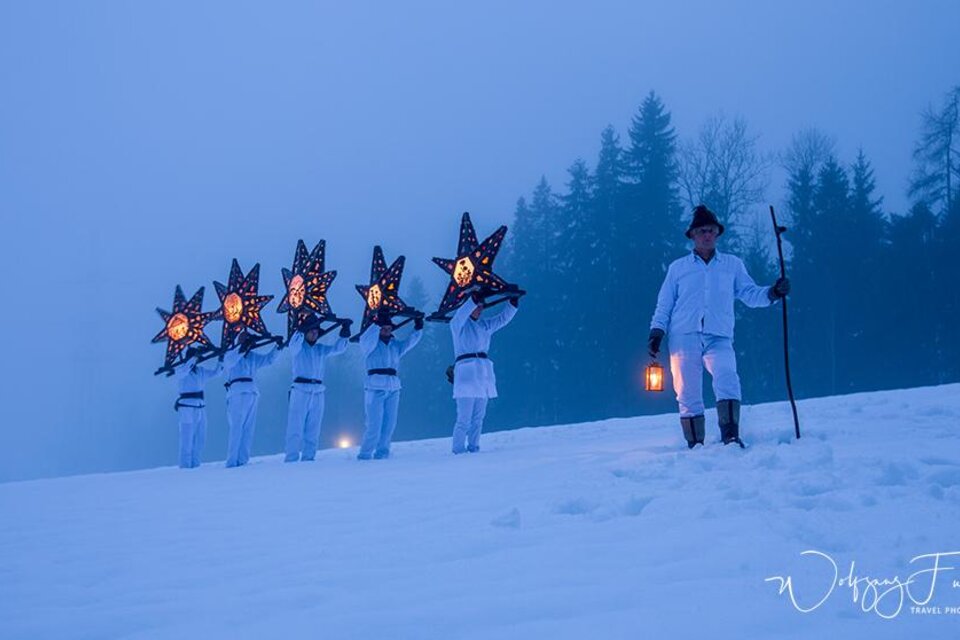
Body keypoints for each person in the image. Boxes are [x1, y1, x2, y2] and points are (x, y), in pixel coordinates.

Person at [648, 204, 790, 449]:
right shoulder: (678, 269)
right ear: (692, 235)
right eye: (702, 230)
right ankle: (695, 443)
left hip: (719, 335)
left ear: (717, 234)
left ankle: (731, 436)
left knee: (727, 377)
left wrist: (773, 292)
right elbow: (664, 304)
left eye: (712, 230)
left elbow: (749, 293)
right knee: (687, 392)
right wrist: (657, 332)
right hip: (684, 337)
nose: (707, 235)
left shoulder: (732, 265)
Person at [449, 290, 519, 454]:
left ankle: (474, 447)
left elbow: (502, 319)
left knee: (478, 418)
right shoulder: (458, 326)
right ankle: (458, 449)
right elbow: (460, 314)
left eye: (481, 306)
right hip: (466, 373)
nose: (480, 309)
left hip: (482, 375)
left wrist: (512, 304)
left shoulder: (484, 325)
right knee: (464, 419)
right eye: (477, 306)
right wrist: (473, 299)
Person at [356, 314, 423, 460]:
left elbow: (409, 343)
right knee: (374, 424)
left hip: (393, 388)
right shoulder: (370, 345)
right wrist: (375, 324)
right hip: (375, 387)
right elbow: (365, 339)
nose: (386, 331)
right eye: (384, 328)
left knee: (389, 425)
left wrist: (418, 328)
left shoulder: (395, 345)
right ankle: (365, 454)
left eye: (388, 328)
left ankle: (382, 453)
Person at [284, 314, 351, 462]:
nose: (314, 333)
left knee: (314, 427)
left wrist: (344, 332)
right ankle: (291, 458)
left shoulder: (320, 349)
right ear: (305, 332)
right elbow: (293, 344)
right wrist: (300, 330)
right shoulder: (298, 348)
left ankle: (309, 457)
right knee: (296, 427)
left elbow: (338, 349)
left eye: (316, 331)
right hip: (300, 389)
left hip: (318, 390)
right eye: (311, 331)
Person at [221, 331, 283, 468]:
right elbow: (230, 361)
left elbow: (269, 359)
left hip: (251, 392)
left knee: (248, 428)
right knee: (237, 427)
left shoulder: (253, 357)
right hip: (237, 392)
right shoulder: (230, 354)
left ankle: (243, 460)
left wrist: (277, 348)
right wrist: (242, 347)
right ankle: (232, 461)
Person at [172, 346, 223, 468]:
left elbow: (216, 373)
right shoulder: (180, 368)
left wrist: (221, 359)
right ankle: (185, 466)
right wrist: (194, 358)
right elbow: (184, 370)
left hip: (200, 406)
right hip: (186, 407)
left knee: (200, 438)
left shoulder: (200, 371)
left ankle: (195, 465)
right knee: (187, 438)